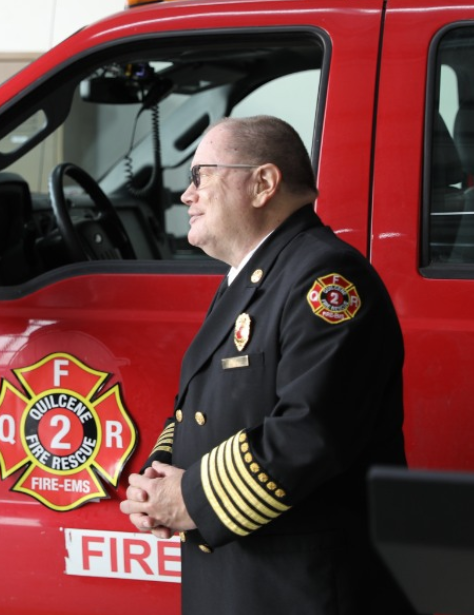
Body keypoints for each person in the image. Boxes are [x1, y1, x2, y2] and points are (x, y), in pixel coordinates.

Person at [120, 115, 416, 614]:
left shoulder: (326, 280)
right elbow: (201, 405)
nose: (186, 196)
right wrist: (160, 479)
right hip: (247, 572)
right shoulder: (258, 273)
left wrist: (188, 496)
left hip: (306, 587)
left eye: (200, 176)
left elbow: (311, 431)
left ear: (263, 183)